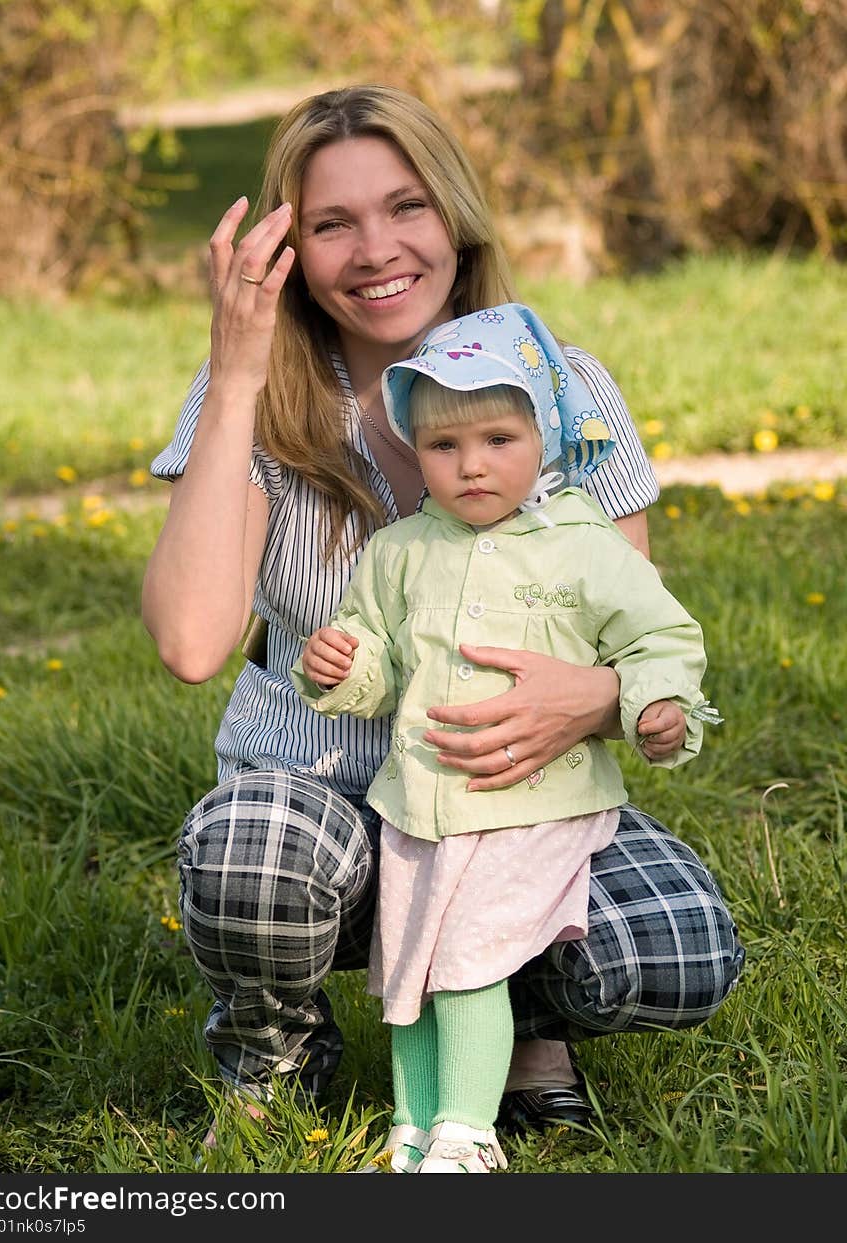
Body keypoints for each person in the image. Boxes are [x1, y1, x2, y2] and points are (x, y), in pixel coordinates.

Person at [141, 84, 745, 1151]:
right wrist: (234, 371)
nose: (377, 249)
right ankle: (273, 1041)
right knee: (252, 852)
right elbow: (191, 642)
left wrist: (603, 696)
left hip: (513, 805)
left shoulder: (565, 392)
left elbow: (636, 628)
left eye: (405, 206)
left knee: (674, 946)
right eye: (332, 223)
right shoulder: (257, 400)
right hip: (319, 797)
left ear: (454, 219)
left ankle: (524, 1025)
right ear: (292, 250)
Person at [291, 302, 722, 1172]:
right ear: (418, 452)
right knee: (407, 975)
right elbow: (377, 664)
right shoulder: (402, 550)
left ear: (544, 439)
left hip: (532, 804)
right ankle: (412, 1127)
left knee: (470, 962)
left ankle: (468, 1131)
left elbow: (659, 640)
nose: (471, 466)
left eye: (497, 440)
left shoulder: (581, 545)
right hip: (422, 804)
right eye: (444, 447)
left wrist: (652, 708)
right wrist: (339, 665)